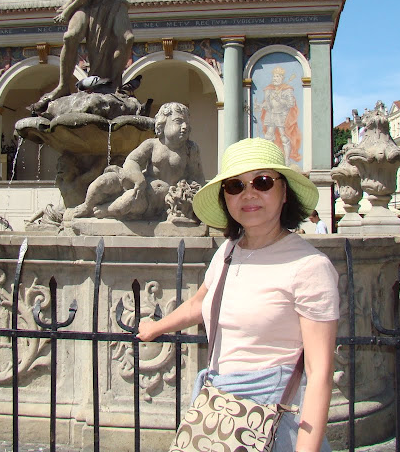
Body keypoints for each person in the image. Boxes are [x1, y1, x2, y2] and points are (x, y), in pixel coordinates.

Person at [137, 138, 339, 452]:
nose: (249, 194)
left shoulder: (309, 266)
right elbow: (200, 302)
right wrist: (155, 327)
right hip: (220, 409)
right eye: (235, 186)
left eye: (262, 182)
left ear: (284, 192)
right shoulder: (228, 252)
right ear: (226, 197)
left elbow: (319, 373)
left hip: (274, 421)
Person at [68, 102, 204, 220]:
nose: (185, 126)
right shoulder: (152, 144)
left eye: (187, 123)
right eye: (178, 121)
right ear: (163, 123)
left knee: (130, 199)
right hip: (136, 181)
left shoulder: (190, 149)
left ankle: (106, 210)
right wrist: (137, 177)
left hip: (154, 198)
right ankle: (87, 205)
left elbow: (197, 178)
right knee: (105, 180)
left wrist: (188, 196)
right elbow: (132, 160)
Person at [257, 65, 302, 163]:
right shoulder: (269, 89)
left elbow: (290, 104)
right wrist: (260, 106)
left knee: (284, 137)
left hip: (282, 115)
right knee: (268, 136)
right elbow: (267, 103)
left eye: (277, 76)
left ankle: (286, 160)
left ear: (282, 78)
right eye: (274, 76)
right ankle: (269, 159)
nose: (275, 78)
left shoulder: (287, 89)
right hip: (271, 114)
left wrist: (280, 100)